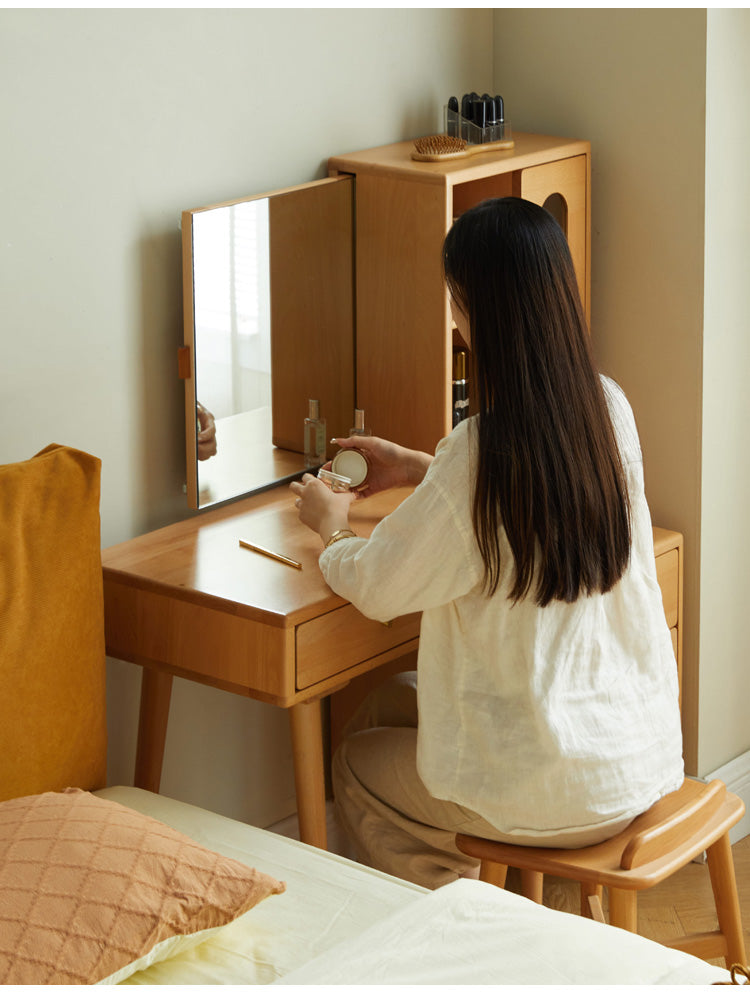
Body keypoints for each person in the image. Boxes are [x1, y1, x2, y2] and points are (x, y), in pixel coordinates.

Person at [289, 197, 683, 889]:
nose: (452, 320)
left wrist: (328, 524)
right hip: (632, 757)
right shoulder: (605, 407)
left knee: (353, 765)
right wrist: (421, 467)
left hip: (553, 789)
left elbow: (378, 586)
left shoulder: (478, 457)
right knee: (386, 704)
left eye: (456, 303)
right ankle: (495, 895)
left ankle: (469, 933)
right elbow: (523, 495)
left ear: (480, 313)